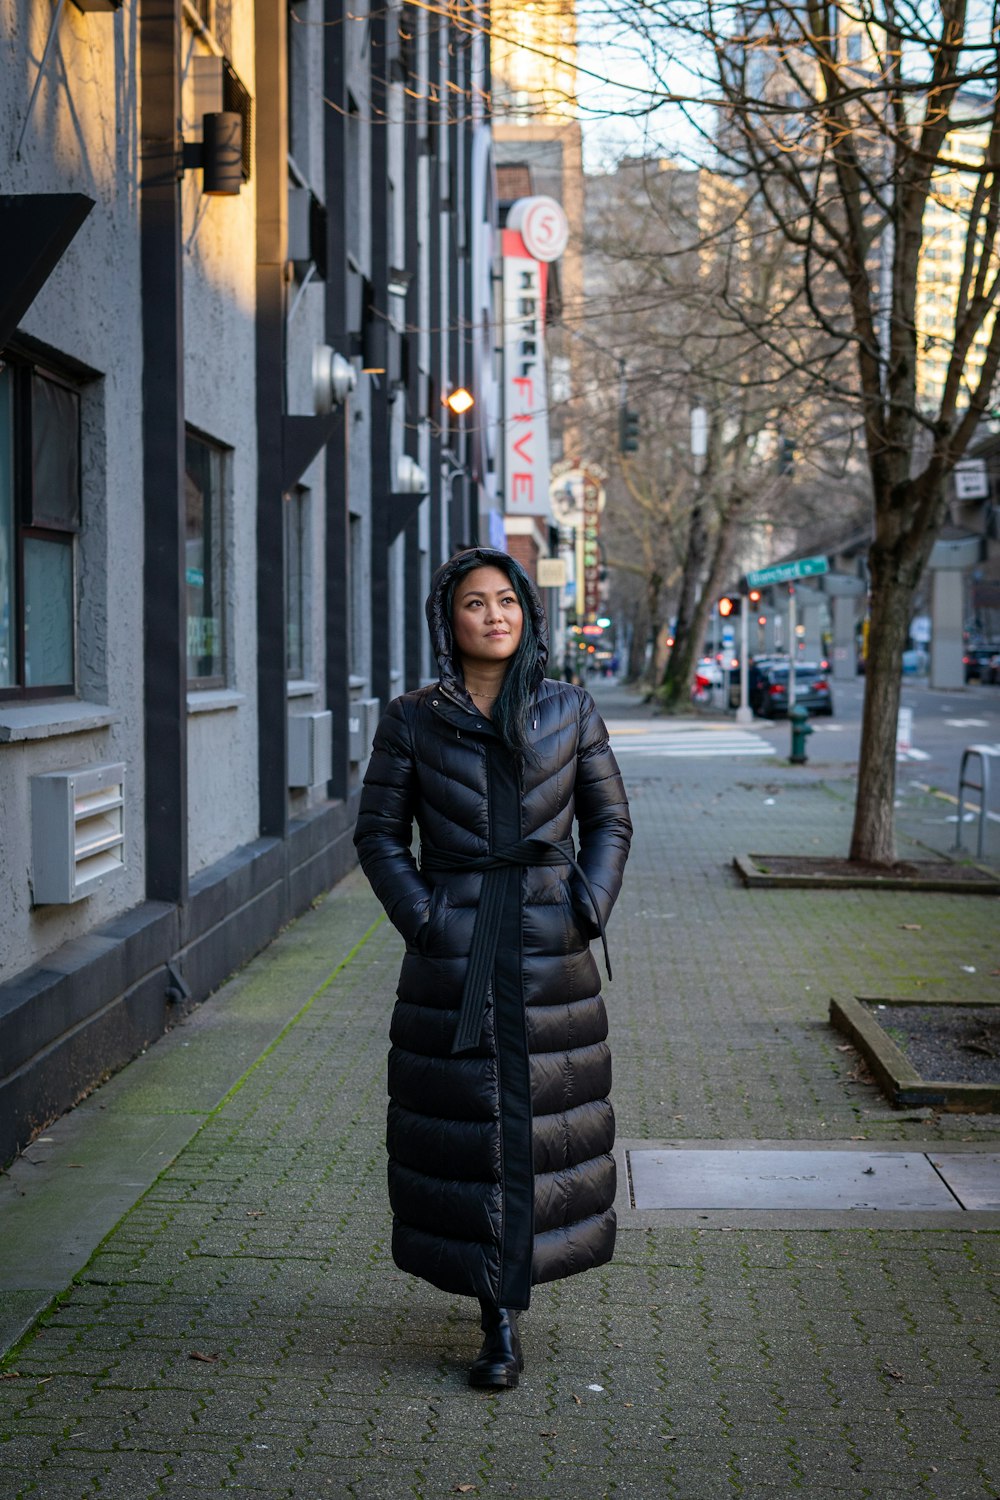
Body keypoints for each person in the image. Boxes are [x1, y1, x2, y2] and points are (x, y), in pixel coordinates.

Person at [354, 546, 632, 1390]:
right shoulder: (413, 719)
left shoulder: (569, 708)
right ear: (451, 621)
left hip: (550, 945)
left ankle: (513, 1297)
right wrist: (426, 919)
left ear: (527, 613)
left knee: (541, 1122)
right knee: (471, 1124)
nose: (495, 615)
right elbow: (377, 835)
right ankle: (494, 1317)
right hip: (456, 952)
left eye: (507, 601)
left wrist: (588, 906)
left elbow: (609, 820)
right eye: (476, 603)